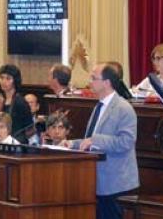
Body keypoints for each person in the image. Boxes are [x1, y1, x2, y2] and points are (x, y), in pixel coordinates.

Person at [64, 63, 139, 219]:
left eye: (93, 78)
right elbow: (90, 139)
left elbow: (126, 142)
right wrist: (72, 144)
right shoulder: (98, 106)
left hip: (116, 184)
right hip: (97, 182)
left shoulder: (123, 108)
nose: (89, 81)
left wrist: (94, 140)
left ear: (107, 83)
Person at [0, 64, 33, 143]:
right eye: (2, 78)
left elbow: (29, 127)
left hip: (17, 143)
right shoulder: (3, 99)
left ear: (15, 80)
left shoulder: (20, 102)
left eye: (8, 78)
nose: (4, 81)